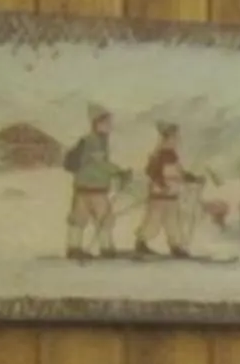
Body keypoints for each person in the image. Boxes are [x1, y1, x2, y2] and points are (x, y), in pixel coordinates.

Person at [61, 107, 126, 259]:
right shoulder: (94, 141)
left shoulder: (92, 140)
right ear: (97, 123)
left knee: (79, 218)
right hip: (95, 189)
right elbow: (100, 163)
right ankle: (106, 248)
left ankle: (73, 247)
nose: (110, 126)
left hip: (82, 188)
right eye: (107, 122)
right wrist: (118, 172)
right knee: (104, 218)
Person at [135, 120, 207, 258]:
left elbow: (180, 173)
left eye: (176, 138)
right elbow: (152, 172)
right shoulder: (158, 155)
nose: (177, 141)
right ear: (165, 139)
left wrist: (193, 179)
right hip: (159, 196)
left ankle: (176, 246)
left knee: (173, 222)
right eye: (174, 138)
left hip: (172, 195)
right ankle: (141, 242)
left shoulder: (173, 156)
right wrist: (162, 185)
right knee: (154, 221)